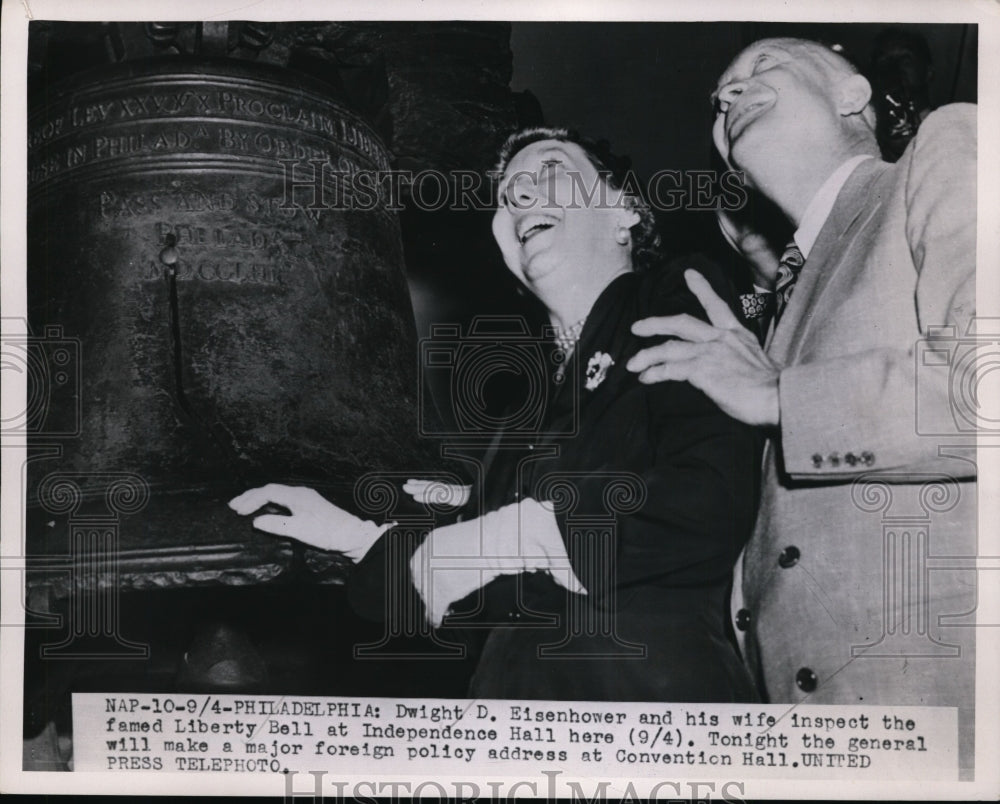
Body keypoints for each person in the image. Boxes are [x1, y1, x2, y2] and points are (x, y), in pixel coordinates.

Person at [230, 127, 760, 702]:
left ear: (622, 213)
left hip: (648, 708)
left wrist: (508, 536)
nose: (522, 197)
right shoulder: (519, 415)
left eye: (550, 171)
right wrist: (356, 537)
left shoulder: (676, 298)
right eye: (508, 196)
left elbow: (708, 499)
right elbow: (473, 602)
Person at [626, 38, 977, 768]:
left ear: (853, 95)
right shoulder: (781, 306)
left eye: (764, 69)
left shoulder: (947, 146)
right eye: (718, 96)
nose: (727, 96)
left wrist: (778, 393)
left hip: (950, 716)